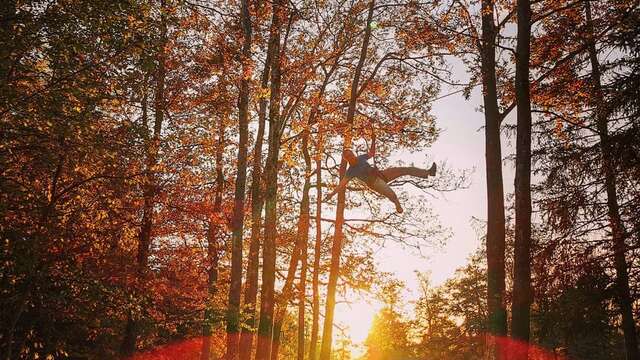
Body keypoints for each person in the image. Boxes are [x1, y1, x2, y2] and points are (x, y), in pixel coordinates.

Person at [325, 133, 437, 213]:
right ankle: (397, 205)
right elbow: (342, 185)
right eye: (348, 156)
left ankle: (427, 173)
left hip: (382, 174)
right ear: (347, 159)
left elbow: (372, 153)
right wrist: (331, 194)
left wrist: (373, 140)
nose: (351, 157)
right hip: (375, 183)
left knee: (404, 169)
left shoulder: (361, 158)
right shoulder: (351, 171)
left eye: (351, 154)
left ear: (354, 154)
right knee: (392, 194)